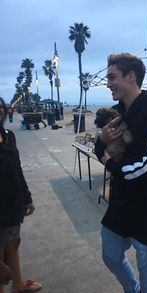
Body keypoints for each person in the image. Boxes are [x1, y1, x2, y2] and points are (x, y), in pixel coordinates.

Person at [95, 53, 147, 293]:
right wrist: (102, 139)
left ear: (131, 77)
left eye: (112, 77)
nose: (108, 83)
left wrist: (111, 165)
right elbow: (100, 150)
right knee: (110, 256)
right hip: (120, 205)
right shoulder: (116, 111)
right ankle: (132, 288)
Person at [0, 97, 42, 293]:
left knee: (12, 247)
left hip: (13, 204)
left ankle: (17, 287)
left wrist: (27, 198)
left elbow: (17, 169)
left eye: (0, 107)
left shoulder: (9, 136)